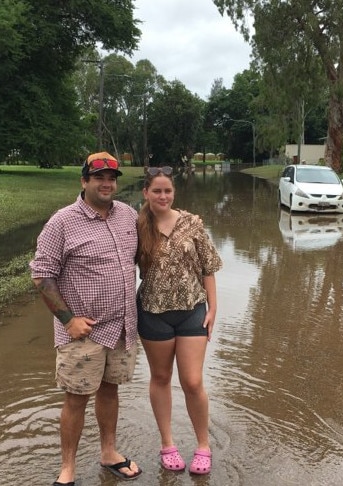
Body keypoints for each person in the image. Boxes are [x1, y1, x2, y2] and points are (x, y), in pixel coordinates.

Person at [29, 152, 142, 484]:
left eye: (112, 178)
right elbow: (42, 275)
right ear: (84, 181)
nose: (107, 184)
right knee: (76, 399)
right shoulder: (62, 221)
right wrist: (67, 319)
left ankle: (109, 453)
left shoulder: (127, 215)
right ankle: (68, 468)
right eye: (99, 178)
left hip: (122, 328)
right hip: (83, 332)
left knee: (110, 391)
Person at [136, 166, 223, 475]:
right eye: (156, 190)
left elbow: (208, 266)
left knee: (192, 380)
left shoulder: (192, 223)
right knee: (160, 378)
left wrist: (213, 307)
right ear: (146, 193)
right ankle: (167, 444)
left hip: (192, 310)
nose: (163, 195)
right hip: (152, 313)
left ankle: (203, 446)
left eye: (168, 190)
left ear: (174, 193)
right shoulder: (136, 226)